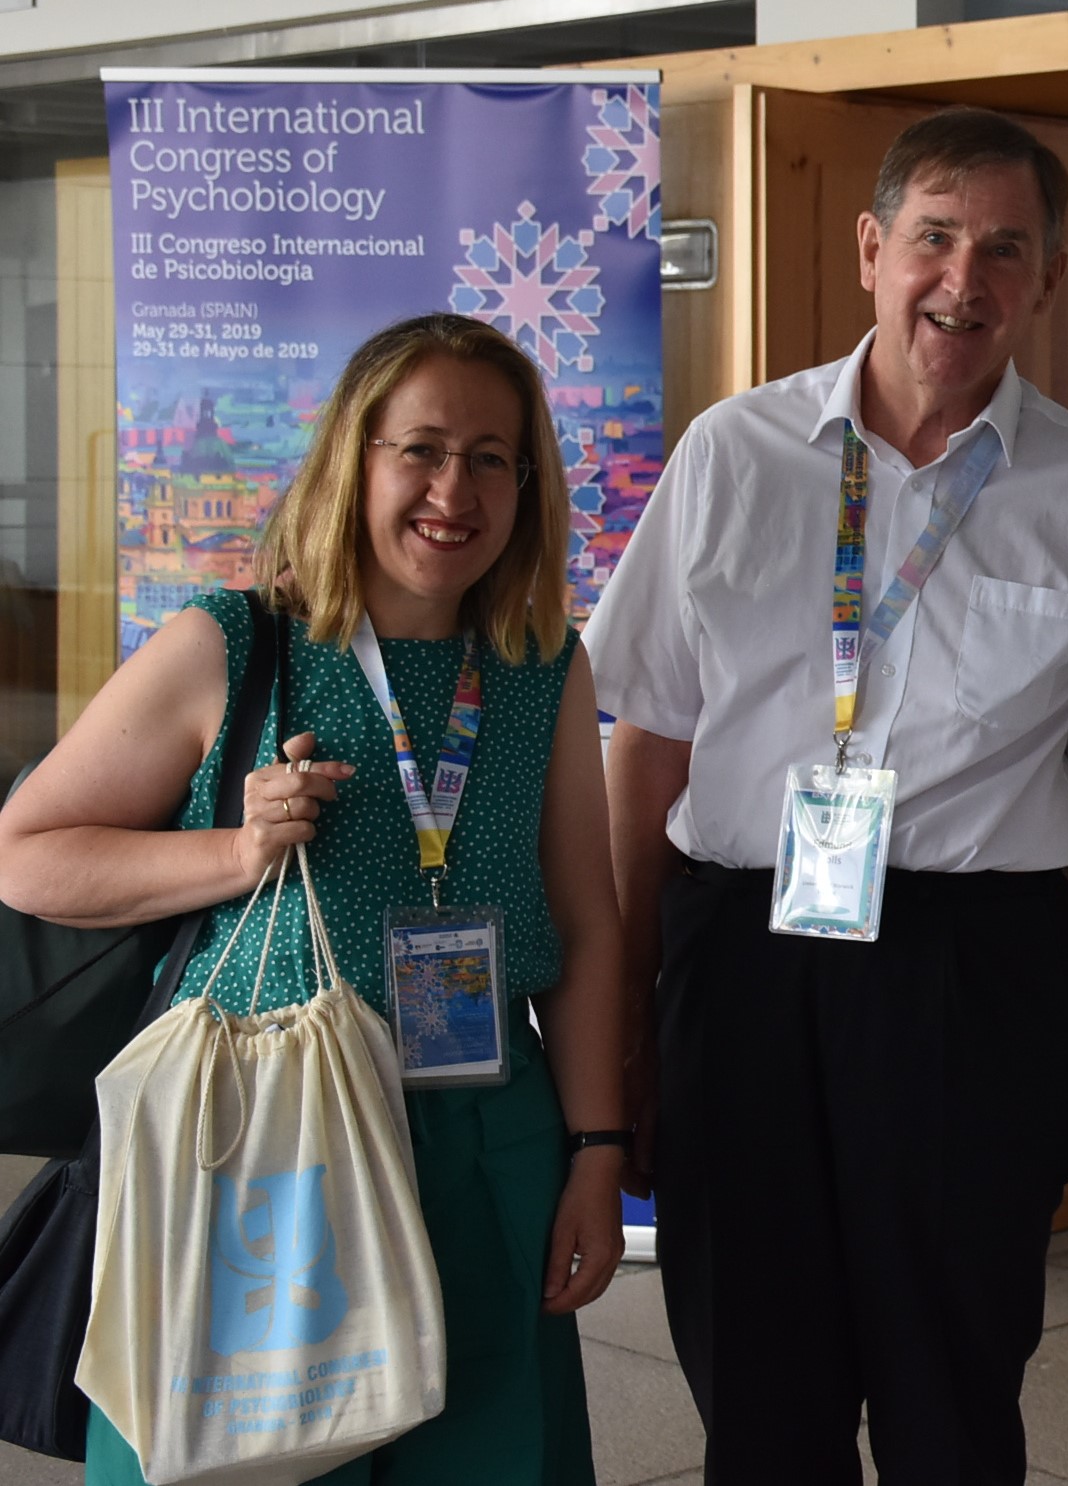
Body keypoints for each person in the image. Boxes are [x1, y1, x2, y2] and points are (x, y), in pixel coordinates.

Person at [585, 106, 1068, 1483]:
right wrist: (626, 1006)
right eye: (934, 237)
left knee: (951, 1397)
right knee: (757, 1394)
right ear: (872, 249)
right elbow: (648, 750)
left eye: (1005, 249)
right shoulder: (731, 454)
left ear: (1049, 276)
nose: (962, 281)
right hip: (742, 960)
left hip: (971, 976)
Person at [0, 313, 632, 1484]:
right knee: (237, 1454)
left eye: (491, 458)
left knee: (484, 1455)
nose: (455, 490)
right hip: (261, 1140)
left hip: (480, 1140)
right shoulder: (234, 645)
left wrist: (598, 1149)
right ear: (354, 458)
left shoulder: (543, 663)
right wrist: (234, 856)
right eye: (421, 450)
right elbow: (28, 855)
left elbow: (588, 927)